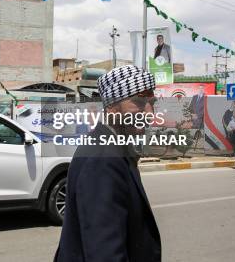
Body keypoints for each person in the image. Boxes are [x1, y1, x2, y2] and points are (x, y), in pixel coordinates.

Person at [54, 65, 161, 262]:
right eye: (138, 102)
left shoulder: (113, 146)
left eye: (151, 102)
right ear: (111, 105)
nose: (149, 113)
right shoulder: (103, 160)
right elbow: (105, 253)